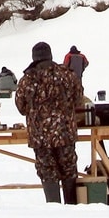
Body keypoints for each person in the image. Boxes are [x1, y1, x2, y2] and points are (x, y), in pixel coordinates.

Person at [15, 41, 84, 204]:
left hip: (40, 137)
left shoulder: (27, 79)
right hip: (65, 133)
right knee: (68, 170)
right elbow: (78, 99)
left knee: (47, 172)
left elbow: (21, 107)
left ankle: (53, 208)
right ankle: (72, 206)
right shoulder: (67, 74)